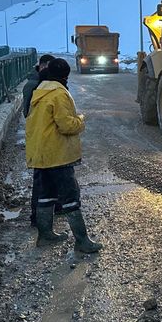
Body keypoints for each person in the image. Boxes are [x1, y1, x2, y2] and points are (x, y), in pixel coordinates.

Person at [25, 58, 102, 253]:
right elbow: (66, 125)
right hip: (57, 154)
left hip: (41, 153)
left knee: (46, 194)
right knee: (70, 196)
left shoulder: (40, 90)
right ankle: (82, 240)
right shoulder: (58, 94)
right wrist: (81, 121)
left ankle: (45, 235)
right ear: (65, 76)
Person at [23, 54, 55, 226]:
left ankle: (52, 209)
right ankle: (37, 217)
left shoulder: (42, 83)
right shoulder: (34, 85)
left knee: (49, 177)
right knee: (41, 179)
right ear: (42, 66)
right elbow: (28, 113)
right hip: (41, 139)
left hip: (44, 138)